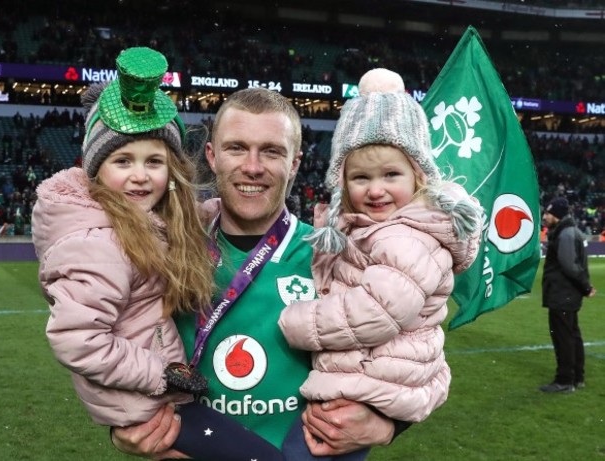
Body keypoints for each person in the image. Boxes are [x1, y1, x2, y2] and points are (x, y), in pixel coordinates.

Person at [112, 86, 411, 459]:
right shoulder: (167, 251)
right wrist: (121, 425)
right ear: (213, 155)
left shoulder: (337, 255)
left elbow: (415, 353)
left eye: (271, 151)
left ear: (295, 164)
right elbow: (102, 342)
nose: (253, 167)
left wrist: (388, 424)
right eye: (237, 148)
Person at [31, 47, 284, 461]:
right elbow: (75, 337)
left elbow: (181, 225)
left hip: (151, 400)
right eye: (123, 160)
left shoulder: (143, 222)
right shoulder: (101, 242)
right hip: (146, 405)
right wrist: (165, 376)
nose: (139, 175)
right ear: (96, 170)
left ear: (172, 172)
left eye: (154, 161)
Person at [278, 68, 483, 460]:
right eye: (360, 177)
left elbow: (376, 312)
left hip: (366, 388)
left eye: (391, 174)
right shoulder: (372, 228)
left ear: (418, 177)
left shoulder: (404, 235)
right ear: (342, 182)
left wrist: (294, 322)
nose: (375, 189)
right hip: (370, 380)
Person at [539, 197, 596, 394]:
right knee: (572, 335)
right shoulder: (568, 231)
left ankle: (564, 380)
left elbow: (569, 265)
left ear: (558, 215)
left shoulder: (565, 234)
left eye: (548, 213)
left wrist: (586, 286)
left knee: (563, 337)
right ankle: (577, 377)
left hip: (562, 294)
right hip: (567, 294)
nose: (545, 216)